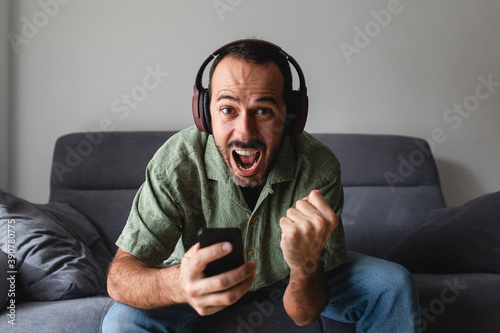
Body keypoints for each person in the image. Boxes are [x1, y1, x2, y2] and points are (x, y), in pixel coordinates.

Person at [102, 39, 421, 332]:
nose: (245, 131)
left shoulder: (318, 166)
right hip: (199, 282)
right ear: (205, 113)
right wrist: (179, 284)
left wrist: (305, 266)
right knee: (122, 319)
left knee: (392, 283)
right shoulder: (176, 162)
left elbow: (303, 313)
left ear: (292, 115)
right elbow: (121, 278)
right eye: (228, 109)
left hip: (288, 275)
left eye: (264, 110)